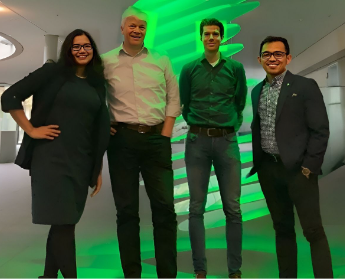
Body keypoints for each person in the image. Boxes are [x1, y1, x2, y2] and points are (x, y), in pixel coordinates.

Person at [1, 29, 110, 278]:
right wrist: (30, 129)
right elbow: (10, 96)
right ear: (68, 51)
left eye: (87, 46)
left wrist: (96, 168)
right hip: (51, 159)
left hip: (80, 162)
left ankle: (48, 276)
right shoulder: (52, 73)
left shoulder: (96, 83)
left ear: (93, 50)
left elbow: (95, 126)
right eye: (76, 46)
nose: (82, 50)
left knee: (64, 223)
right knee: (64, 225)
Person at [102, 6, 180, 279]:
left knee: (165, 210)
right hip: (121, 142)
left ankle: (167, 274)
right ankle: (132, 274)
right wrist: (105, 123)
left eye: (142, 26)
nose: (137, 30)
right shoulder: (106, 61)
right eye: (132, 25)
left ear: (147, 30)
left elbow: (173, 97)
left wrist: (166, 132)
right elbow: (96, 98)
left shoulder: (162, 59)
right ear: (122, 28)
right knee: (126, 212)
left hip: (157, 140)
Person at [249, 36, 333, 278]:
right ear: (260, 59)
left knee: (313, 231)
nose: (272, 58)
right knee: (282, 230)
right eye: (267, 54)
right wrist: (260, 165)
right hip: (269, 170)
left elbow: (320, 130)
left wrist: (309, 167)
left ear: (288, 58)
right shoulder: (257, 91)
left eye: (278, 54)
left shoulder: (305, 86)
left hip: (299, 172)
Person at [179, 18, 247, 279]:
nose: (211, 37)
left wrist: (227, 128)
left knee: (233, 208)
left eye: (216, 34)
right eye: (207, 34)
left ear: (222, 37)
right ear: (201, 37)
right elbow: (185, 103)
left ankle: (235, 271)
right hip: (197, 144)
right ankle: (200, 270)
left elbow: (239, 103)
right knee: (196, 207)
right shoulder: (188, 69)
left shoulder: (236, 68)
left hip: (227, 143)